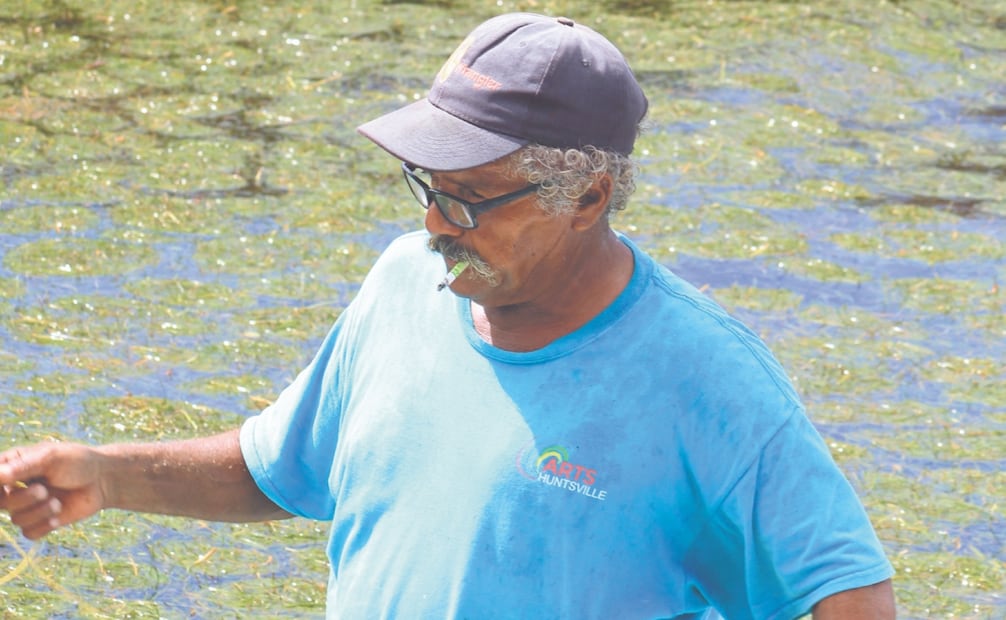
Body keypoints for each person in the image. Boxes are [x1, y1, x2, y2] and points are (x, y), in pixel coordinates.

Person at [0, 12, 894, 619]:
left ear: (587, 196)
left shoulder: (710, 381)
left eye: (471, 198)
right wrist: (108, 475)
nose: (435, 222)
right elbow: (285, 468)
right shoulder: (402, 286)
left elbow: (850, 595)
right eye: (428, 187)